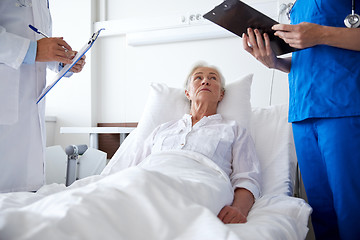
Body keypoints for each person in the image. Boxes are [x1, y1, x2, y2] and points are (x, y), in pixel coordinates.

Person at [242, 0, 360, 239]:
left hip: (344, 105)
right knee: (322, 214)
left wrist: (321, 33)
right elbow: (310, 60)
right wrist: (275, 63)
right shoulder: (293, 5)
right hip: (303, 111)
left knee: (352, 211)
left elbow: (324, 41)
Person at [133, 64, 262, 224]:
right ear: (188, 93)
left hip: (201, 183)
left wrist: (239, 209)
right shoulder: (162, 130)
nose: (205, 81)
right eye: (198, 77)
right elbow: (135, 168)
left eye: (213, 78)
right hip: (151, 178)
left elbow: (247, 177)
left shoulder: (234, 130)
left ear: (221, 94)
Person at [0, 0, 86, 193]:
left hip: (29, 111)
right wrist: (33, 50)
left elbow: (37, 43)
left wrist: (62, 61)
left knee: (28, 197)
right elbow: (33, 49)